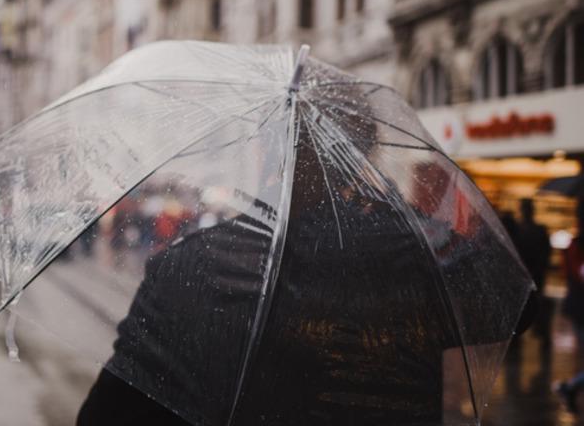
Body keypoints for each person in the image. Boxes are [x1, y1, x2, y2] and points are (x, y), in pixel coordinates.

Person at [77, 89, 526, 425]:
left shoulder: (189, 267)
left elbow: (106, 415)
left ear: (263, 153)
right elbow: (514, 302)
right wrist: (403, 212)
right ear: (361, 157)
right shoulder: (412, 258)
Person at [556, 201, 584, 412]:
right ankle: (569, 387)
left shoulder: (573, 245)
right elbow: (577, 273)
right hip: (580, 309)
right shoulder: (576, 246)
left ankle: (570, 387)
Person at [516, 198, 553, 349]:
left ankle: (541, 334)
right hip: (529, 274)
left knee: (533, 305)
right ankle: (540, 334)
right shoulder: (529, 230)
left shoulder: (525, 230)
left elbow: (545, 253)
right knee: (527, 306)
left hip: (531, 274)